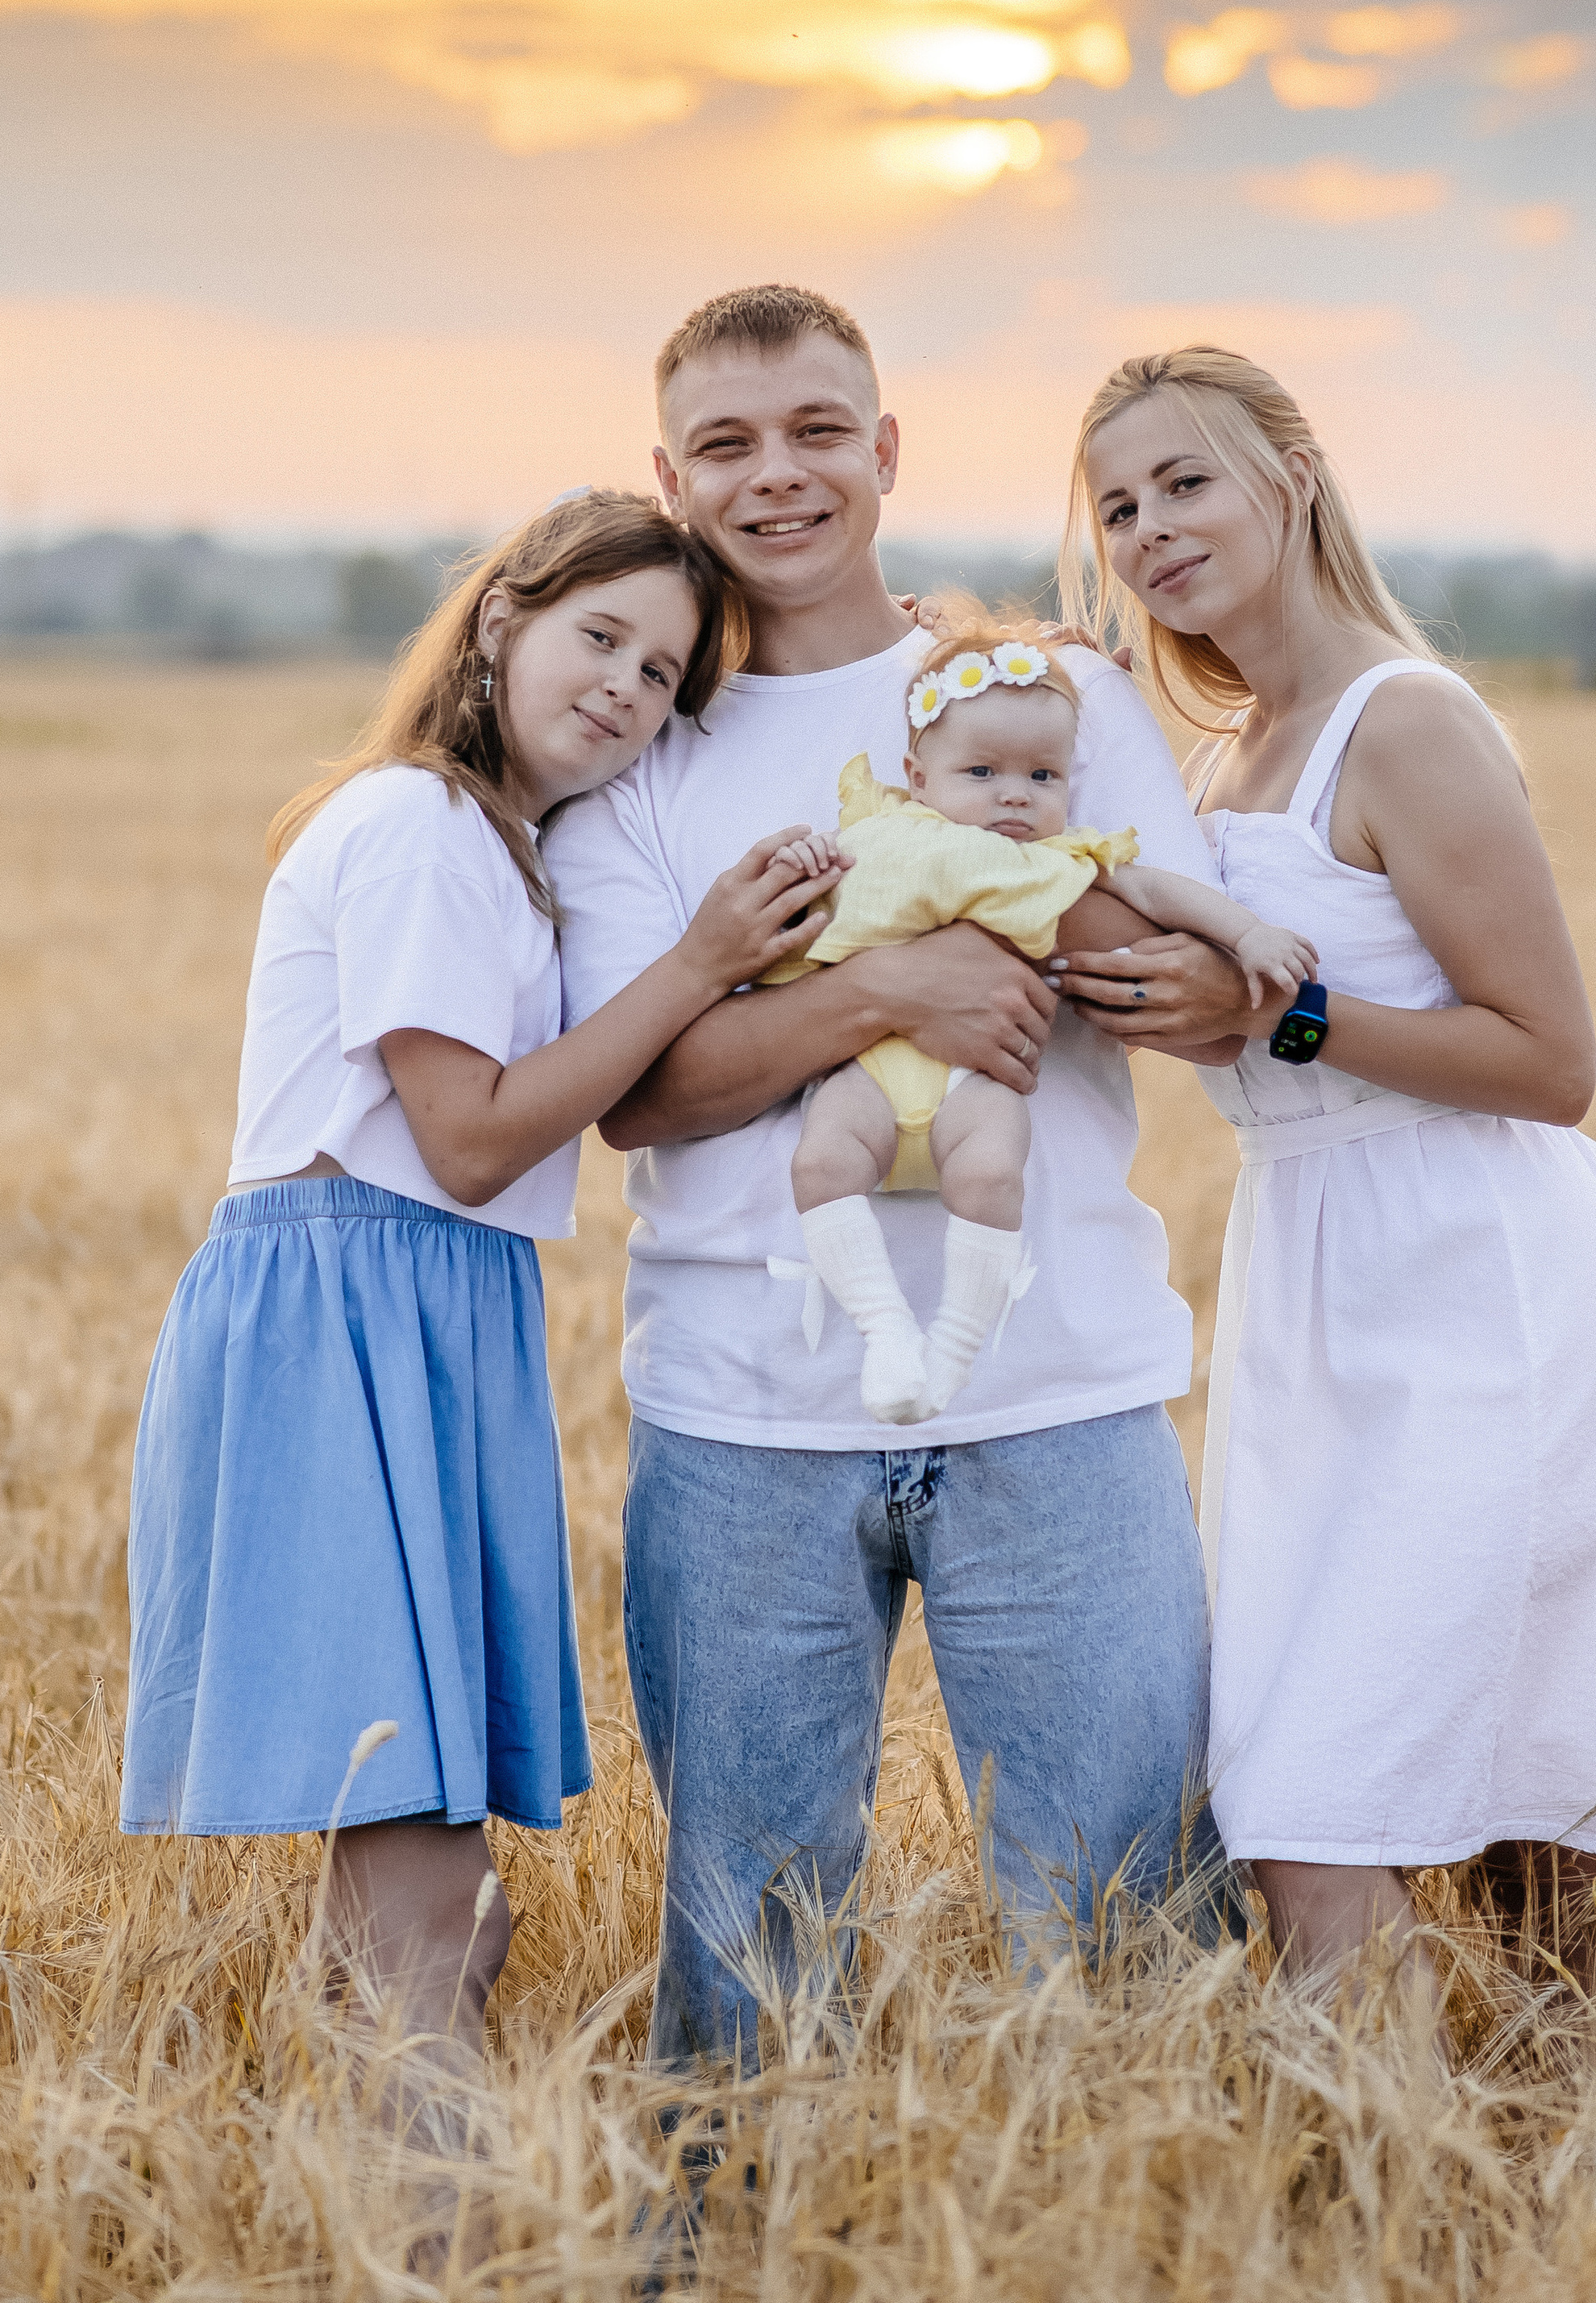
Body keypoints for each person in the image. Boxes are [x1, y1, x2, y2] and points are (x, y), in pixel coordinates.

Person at [544, 285, 1260, 2068]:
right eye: (724, 445)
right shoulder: (639, 741)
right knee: (744, 1970)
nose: (773, 477)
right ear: (668, 476)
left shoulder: (1051, 685)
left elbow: (1177, 987)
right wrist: (880, 987)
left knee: (1124, 1941)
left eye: (811, 433)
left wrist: (946, 890)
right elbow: (642, 1097)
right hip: (740, 1417)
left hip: (1060, 1380)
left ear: (882, 449)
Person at [121, 488, 835, 2135]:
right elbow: (467, 1135)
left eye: (660, 675)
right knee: (428, 1888)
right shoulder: (420, 830)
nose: (623, 691)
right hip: (351, 1311)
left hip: (424, 1315)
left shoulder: (499, 853)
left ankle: (348, 2206)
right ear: (502, 617)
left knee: (423, 1886)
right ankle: (417, 2241)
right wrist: (703, 956)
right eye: (601, 637)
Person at [1058, 343, 1596, 1999]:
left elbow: (1546, 1061)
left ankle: (1479, 2185)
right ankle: (1471, 2184)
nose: (1150, 529)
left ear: (1290, 475)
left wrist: (1278, 1015)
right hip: (1306, 1273)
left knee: (1367, 1793)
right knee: (1352, 1761)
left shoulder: (1401, 720)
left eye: (1185, 482)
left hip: (1474, 1267)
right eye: (1117, 506)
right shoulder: (1225, 752)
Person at [768, 626, 1315, 1424]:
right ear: (917, 778)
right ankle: (885, 1330)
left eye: (1043, 774)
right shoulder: (881, 830)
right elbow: (813, 887)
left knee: (992, 1175)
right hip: (869, 1070)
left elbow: (1160, 895)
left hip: (981, 1080)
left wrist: (1245, 935)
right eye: (981, 773)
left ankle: (955, 1344)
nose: (1014, 794)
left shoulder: (1062, 860)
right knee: (820, 1164)